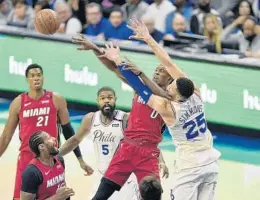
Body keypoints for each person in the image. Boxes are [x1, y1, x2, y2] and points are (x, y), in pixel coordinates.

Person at [102, 19, 221, 200]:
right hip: (211, 163)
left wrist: (118, 60)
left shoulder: (169, 108)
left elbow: (140, 87)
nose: (170, 85)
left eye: (172, 86)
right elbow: (168, 63)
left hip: (189, 167)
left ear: (176, 94)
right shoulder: (195, 92)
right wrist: (148, 38)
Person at [71, 34, 171, 200]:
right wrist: (94, 48)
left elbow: (161, 94)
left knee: (154, 197)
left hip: (148, 153)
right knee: (100, 196)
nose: (157, 72)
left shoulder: (170, 100)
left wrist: (142, 76)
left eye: (162, 71)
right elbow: (114, 68)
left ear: (170, 79)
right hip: (127, 148)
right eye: (156, 70)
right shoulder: (140, 88)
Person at [0, 64, 93, 200]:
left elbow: (68, 131)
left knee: (57, 197)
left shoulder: (56, 99)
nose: (36, 78)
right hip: (27, 158)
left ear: (43, 77)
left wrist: (80, 159)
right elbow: (6, 136)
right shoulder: (18, 103)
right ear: (27, 79)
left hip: (50, 158)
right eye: (32, 76)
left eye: (39, 75)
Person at [59, 86, 141, 200]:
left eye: (110, 98)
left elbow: (144, 140)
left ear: (115, 100)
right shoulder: (91, 118)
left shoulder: (125, 118)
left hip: (123, 178)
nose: (106, 100)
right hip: (101, 175)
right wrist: (56, 155)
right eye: (103, 98)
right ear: (98, 101)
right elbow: (75, 140)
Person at [20, 131, 74, 200]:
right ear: (41, 147)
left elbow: (61, 185)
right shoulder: (31, 172)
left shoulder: (60, 160)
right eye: (49, 138)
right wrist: (56, 198)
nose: (54, 139)